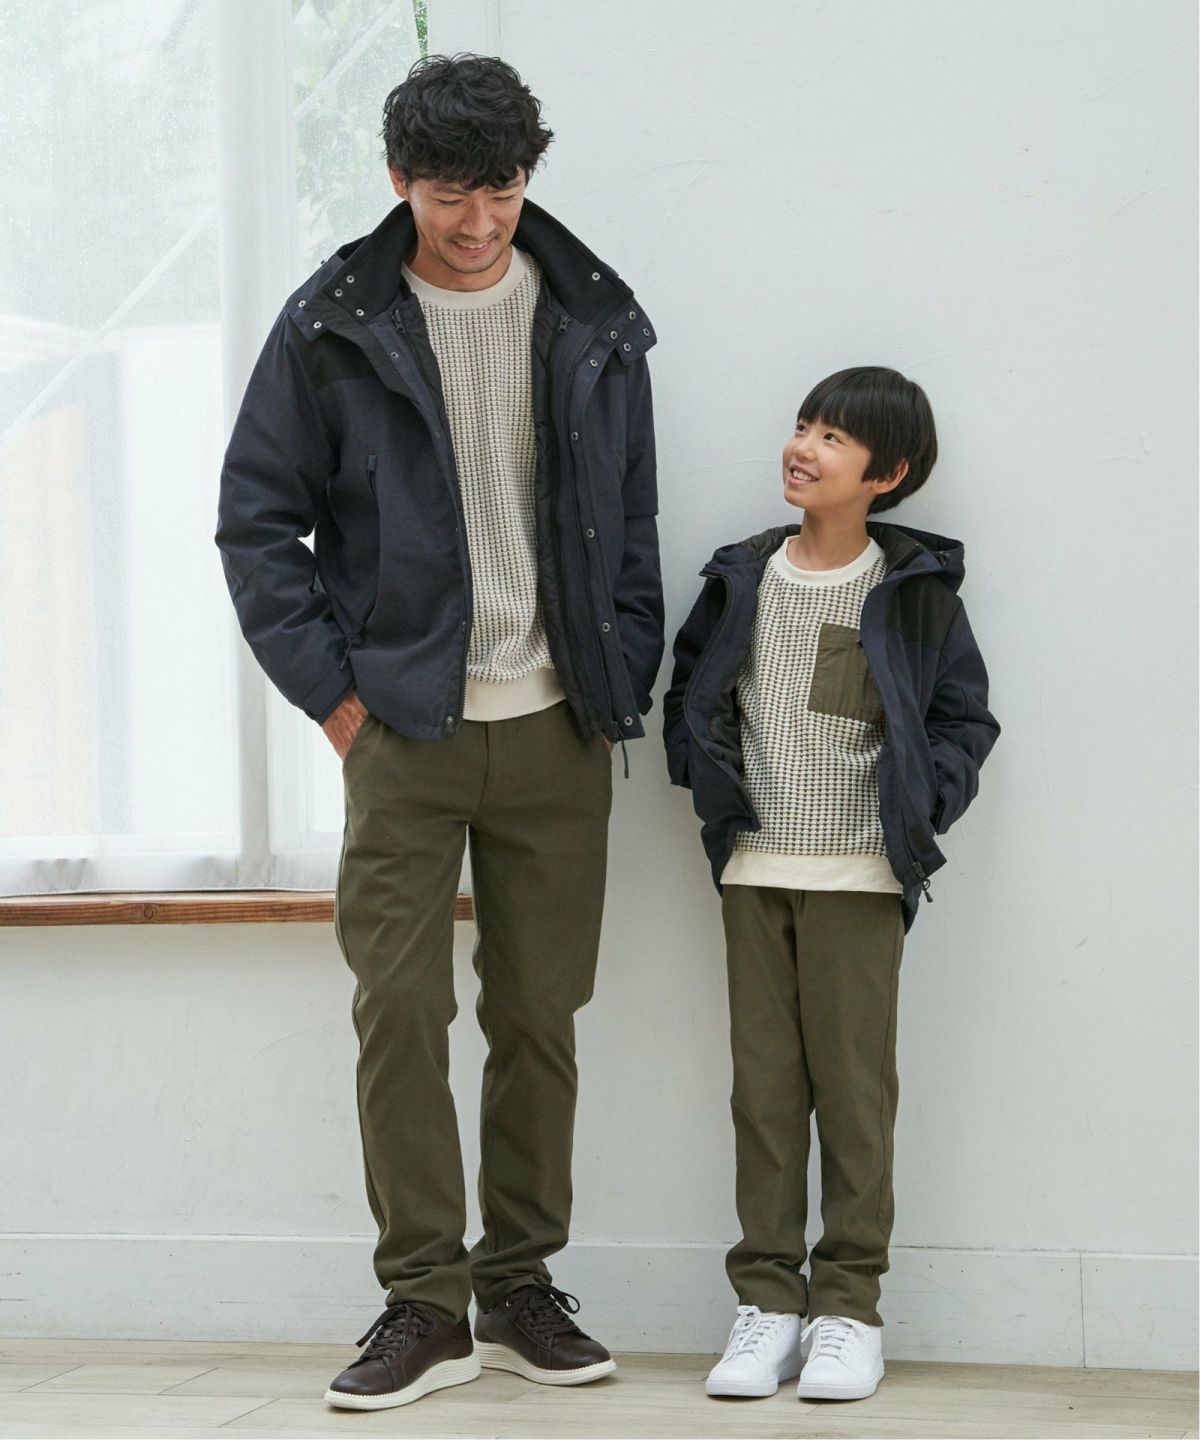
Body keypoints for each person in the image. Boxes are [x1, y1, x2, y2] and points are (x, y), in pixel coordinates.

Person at [215, 53, 663, 1411]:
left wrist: (617, 668)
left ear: (531, 176)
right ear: (398, 179)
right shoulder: (331, 321)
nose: (479, 222)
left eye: (503, 190)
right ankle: (425, 1303)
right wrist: (336, 698)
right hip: (402, 731)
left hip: (558, 731)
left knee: (540, 1015)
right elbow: (256, 525)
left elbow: (633, 519)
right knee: (399, 1013)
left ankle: (520, 1288)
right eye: (450, 194)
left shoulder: (592, 317)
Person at [662, 367, 999, 1403]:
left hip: (860, 876)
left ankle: (849, 1310)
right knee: (763, 1095)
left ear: (886, 474)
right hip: (753, 869)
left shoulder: (913, 591)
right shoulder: (741, 577)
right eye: (803, 425)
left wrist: (920, 808)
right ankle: (767, 1305)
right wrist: (705, 781)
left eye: (834, 438)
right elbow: (691, 695)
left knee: (854, 1098)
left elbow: (964, 718)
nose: (803, 447)